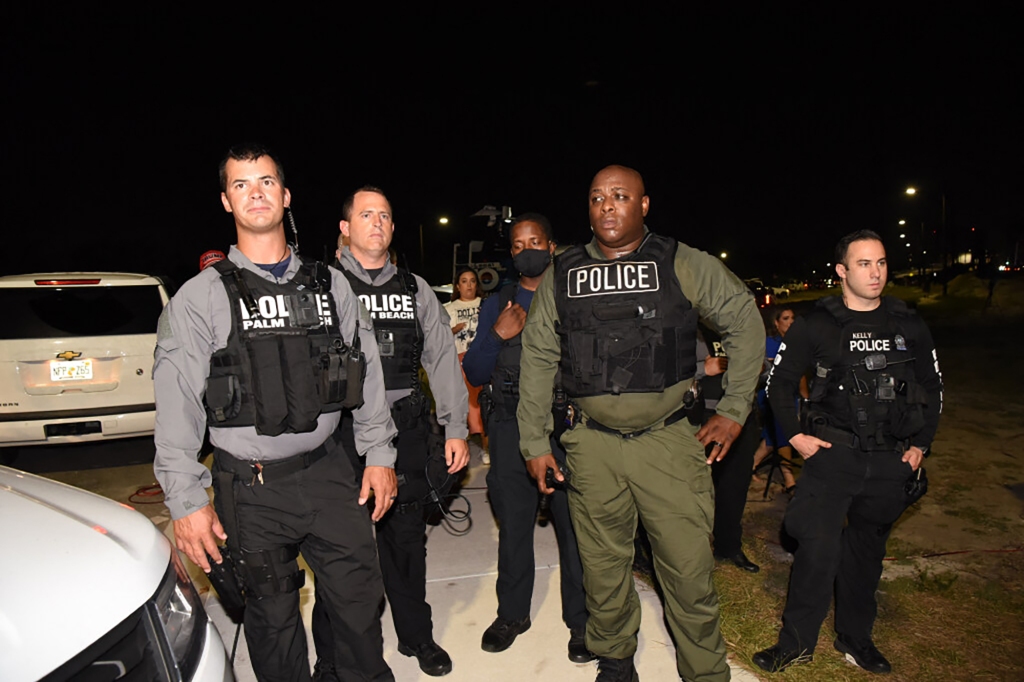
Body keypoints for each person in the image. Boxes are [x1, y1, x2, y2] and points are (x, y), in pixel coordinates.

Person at [153, 144, 399, 682]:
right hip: (251, 490)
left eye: (266, 181)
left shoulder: (331, 284)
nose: (255, 192)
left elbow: (369, 371)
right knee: (272, 620)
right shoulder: (199, 299)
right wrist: (186, 498)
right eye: (241, 184)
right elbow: (176, 406)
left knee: (359, 603)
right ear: (226, 201)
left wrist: (379, 453)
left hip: (330, 473)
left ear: (285, 196)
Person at [517, 165, 764, 682]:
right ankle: (615, 660)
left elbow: (743, 318)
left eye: (620, 196)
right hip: (592, 446)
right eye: (597, 197)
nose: (607, 206)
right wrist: (534, 442)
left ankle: (704, 671)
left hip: (668, 443)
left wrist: (734, 409)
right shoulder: (563, 274)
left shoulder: (681, 262)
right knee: (604, 569)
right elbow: (538, 357)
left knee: (687, 569)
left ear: (644, 205)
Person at [753, 230, 942, 674]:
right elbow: (778, 384)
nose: (874, 273)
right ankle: (796, 643)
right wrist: (795, 434)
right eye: (863, 264)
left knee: (865, 555)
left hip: (889, 461)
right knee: (817, 551)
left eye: (880, 263)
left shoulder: (908, 323)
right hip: (832, 457)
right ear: (841, 270)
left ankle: (856, 639)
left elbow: (933, 388)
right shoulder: (816, 324)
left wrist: (921, 444)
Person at [311, 185, 470, 679]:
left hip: (406, 432)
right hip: (340, 435)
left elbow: (442, 359)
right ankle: (334, 657)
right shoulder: (321, 285)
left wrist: (455, 425)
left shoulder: (414, 288)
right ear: (345, 227)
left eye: (384, 215)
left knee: (406, 542)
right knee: (339, 552)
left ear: (392, 227)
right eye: (365, 214)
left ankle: (416, 638)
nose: (376, 222)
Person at [461, 213, 592, 663]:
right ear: (512, 254)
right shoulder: (497, 303)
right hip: (508, 426)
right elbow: (476, 372)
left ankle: (581, 621)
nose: (527, 249)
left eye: (535, 240)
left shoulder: (572, 298)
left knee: (573, 529)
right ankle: (512, 614)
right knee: (514, 527)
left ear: (551, 246)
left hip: (565, 426)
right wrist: (496, 337)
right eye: (518, 245)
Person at [696, 327, 761, 573]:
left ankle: (729, 546)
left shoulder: (740, 328)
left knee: (734, 486)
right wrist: (704, 369)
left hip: (740, 418)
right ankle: (693, 551)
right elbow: (662, 373)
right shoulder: (691, 326)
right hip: (702, 417)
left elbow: (764, 365)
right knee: (694, 490)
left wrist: (759, 369)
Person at [752, 307, 799, 492]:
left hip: (791, 394)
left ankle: (750, 466)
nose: (791, 321)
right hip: (771, 395)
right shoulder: (768, 343)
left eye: (793, 317)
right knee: (785, 430)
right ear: (776, 322)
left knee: (772, 437)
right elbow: (759, 368)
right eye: (786, 318)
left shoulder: (796, 342)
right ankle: (789, 480)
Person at [444, 267, 485, 445]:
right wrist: (455, 329)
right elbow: (440, 336)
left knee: (485, 401)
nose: (469, 285)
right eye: (464, 281)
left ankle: (487, 445)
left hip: (484, 357)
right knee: (466, 402)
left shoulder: (486, 305)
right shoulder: (448, 308)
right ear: (457, 286)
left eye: (472, 281)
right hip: (459, 359)